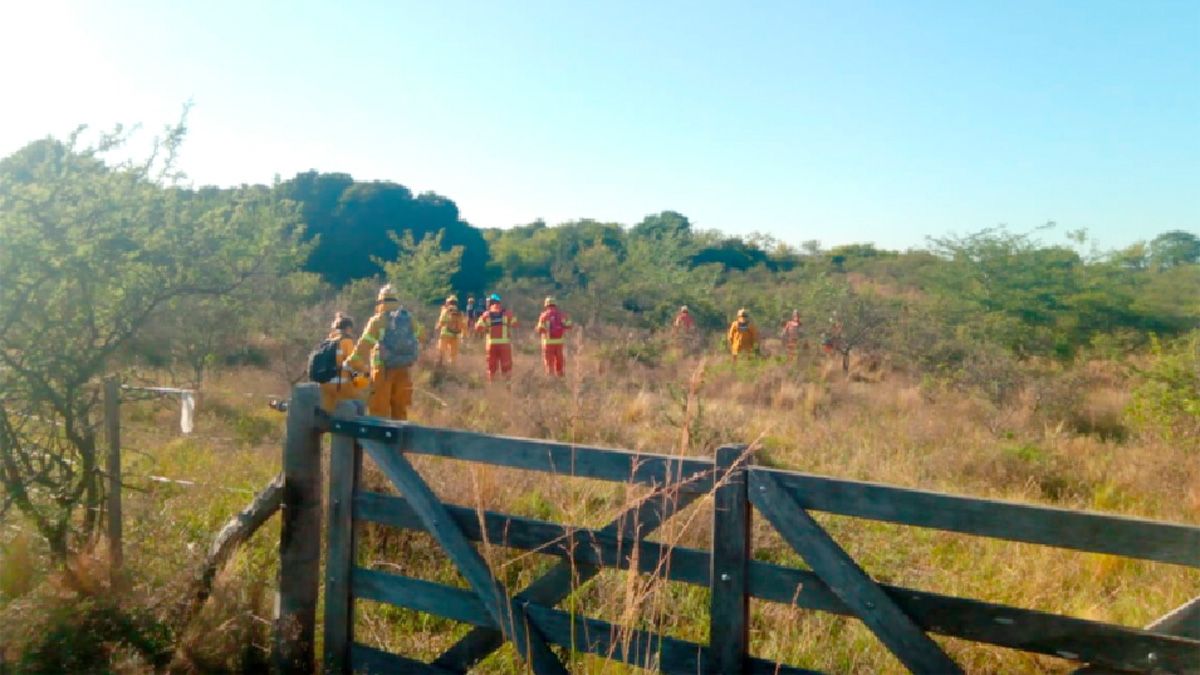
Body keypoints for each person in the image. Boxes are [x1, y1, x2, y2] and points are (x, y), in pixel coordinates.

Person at [344, 285, 419, 420]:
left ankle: (378, 439)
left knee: (379, 408)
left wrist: (351, 362)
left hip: (383, 368)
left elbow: (364, 344)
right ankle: (399, 439)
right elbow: (421, 335)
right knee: (400, 408)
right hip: (404, 367)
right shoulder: (409, 318)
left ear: (380, 301)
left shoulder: (378, 320)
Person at [319, 313, 368, 413]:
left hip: (325, 385)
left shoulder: (328, 342)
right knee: (359, 402)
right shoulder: (346, 342)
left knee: (330, 410)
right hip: (341, 386)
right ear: (348, 328)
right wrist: (367, 370)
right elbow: (354, 362)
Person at [474, 293, 518, 382]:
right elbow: (515, 324)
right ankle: (507, 387)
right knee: (506, 367)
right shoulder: (507, 313)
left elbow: (478, 328)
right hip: (505, 345)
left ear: (490, 303)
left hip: (491, 345)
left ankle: (492, 386)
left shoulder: (486, 315)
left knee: (492, 368)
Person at [536, 296, 574, 376]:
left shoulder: (544, 316)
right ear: (555, 305)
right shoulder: (561, 315)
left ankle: (551, 379)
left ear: (546, 305)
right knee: (559, 361)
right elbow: (569, 325)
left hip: (547, 343)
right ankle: (560, 377)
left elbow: (539, 329)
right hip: (559, 342)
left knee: (549, 362)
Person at [435, 295, 467, 364]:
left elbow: (442, 321)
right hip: (456, 335)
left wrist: (437, 327)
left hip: (445, 334)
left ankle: (440, 366)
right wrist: (463, 336)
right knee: (453, 355)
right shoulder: (460, 312)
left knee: (441, 351)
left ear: (448, 302)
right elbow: (464, 325)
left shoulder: (446, 310)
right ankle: (452, 369)